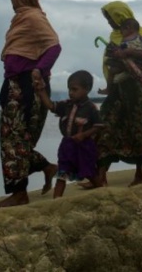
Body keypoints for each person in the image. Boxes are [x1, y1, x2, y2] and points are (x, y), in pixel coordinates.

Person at [0, 0, 60, 208]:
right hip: (15, 84)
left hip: (28, 85)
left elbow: (53, 45)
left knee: (13, 140)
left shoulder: (33, 17)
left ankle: (19, 193)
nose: (12, 0)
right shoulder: (21, 19)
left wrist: (38, 70)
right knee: (15, 140)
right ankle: (46, 168)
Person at [95, 1, 142, 187]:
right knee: (106, 126)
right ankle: (101, 176)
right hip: (116, 89)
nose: (109, 23)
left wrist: (126, 53)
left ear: (120, 17)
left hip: (133, 88)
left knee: (135, 128)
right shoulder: (115, 36)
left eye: (110, 18)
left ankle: (138, 174)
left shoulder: (139, 33)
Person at [34, 70, 102, 198]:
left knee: (89, 172)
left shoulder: (91, 108)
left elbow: (99, 126)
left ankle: (104, 194)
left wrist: (84, 135)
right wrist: (42, 91)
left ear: (87, 89)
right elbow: (50, 105)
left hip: (84, 147)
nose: (71, 93)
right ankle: (57, 201)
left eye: (74, 89)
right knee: (62, 172)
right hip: (67, 145)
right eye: (69, 89)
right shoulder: (66, 105)